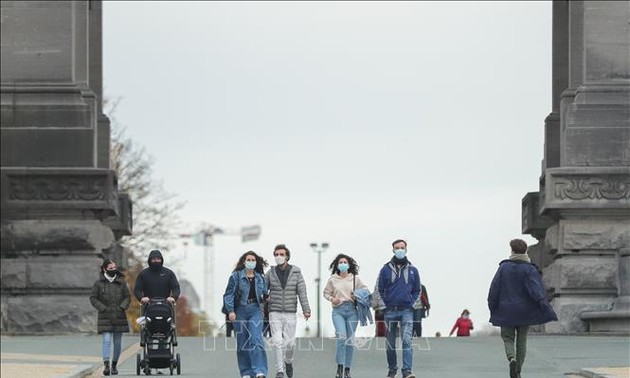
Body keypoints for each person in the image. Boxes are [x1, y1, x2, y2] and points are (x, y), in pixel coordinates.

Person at [488, 239, 558, 378]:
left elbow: (493, 290)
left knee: (508, 338)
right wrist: (545, 307)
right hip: (525, 312)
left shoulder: (503, 268)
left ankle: (511, 359)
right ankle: (518, 370)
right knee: (522, 340)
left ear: (512, 251)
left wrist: (492, 307)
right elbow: (536, 291)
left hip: (506, 311)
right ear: (525, 251)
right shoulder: (530, 269)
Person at [375, 239, 421, 378]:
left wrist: (412, 304)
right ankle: (392, 369)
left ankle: (407, 371)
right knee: (390, 344)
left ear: (406, 249)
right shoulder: (385, 269)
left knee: (407, 341)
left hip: (407, 311)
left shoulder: (413, 270)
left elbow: (417, 290)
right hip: (390, 311)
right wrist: (383, 306)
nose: (400, 250)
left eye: (402, 247)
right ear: (393, 250)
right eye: (397, 248)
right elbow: (379, 289)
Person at [265, 244, 311, 378]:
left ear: (287, 256)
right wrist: (264, 296)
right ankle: (280, 370)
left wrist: (306, 309)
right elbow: (263, 288)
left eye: (281, 254)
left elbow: (302, 292)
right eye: (276, 254)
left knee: (290, 343)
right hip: (274, 311)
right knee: (277, 341)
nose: (278, 257)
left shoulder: (296, 273)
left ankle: (288, 362)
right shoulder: (270, 273)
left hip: (291, 311)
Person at [223, 251, 269, 378]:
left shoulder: (260, 278)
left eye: (253, 260)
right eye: (248, 259)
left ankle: (259, 370)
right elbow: (228, 294)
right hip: (240, 310)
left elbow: (264, 294)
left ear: (256, 262)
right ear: (244, 262)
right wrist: (231, 311)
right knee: (242, 342)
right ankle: (246, 372)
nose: (251, 262)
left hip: (255, 310)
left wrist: (266, 298)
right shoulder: (235, 276)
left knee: (256, 339)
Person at [323, 254, 369, 378]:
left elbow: (365, 291)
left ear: (349, 265)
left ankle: (347, 369)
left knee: (350, 340)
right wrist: (332, 298)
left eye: (345, 262)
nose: (343, 264)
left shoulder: (354, 278)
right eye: (340, 262)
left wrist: (357, 295)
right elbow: (326, 293)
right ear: (337, 265)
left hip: (352, 311)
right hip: (338, 310)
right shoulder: (333, 279)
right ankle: (340, 367)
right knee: (342, 337)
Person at [89, 259, 130, 376]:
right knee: (106, 341)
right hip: (105, 316)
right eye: (110, 268)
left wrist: (122, 307)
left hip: (119, 316)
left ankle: (114, 365)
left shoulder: (121, 282)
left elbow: (127, 297)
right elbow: (93, 298)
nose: (113, 270)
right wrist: (103, 308)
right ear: (104, 269)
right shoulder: (98, 283)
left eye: (114, 268)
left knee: (117, 343)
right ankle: (106, 365)